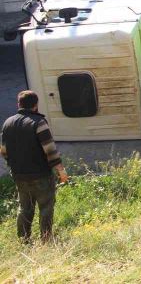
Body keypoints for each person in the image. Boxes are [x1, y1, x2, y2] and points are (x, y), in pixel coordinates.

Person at [1, 90, 69, 242]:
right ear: (36, 105)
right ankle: (46, 239)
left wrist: (14, 166)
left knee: (24, 208)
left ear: (19, 104)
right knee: (45, 208)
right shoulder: (39, 123)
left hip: (19, 176)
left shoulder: (7, 123)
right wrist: (61, 171)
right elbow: (50, 151)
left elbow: (4, 151)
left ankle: (23, 239)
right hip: (41, 175)